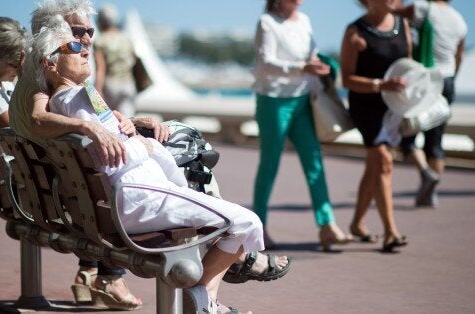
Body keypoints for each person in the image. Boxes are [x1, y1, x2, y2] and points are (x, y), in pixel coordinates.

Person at [27, 23, 290, 314]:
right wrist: (148, 147)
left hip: (130, 201)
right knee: (246, 222)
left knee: (222, 216)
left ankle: (206, 301)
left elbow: (105, 150)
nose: (86, 49)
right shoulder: (76, 99)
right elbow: (113, 160)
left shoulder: (69, 100)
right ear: (50, 62)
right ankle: (201, 298)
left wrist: (133, 131)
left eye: (85, 44)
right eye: (74, 47)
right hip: (142, 201)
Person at [10, 0, 144, 309]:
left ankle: (88, 273)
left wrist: (131, 120)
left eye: (89, 32)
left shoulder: (40, 73)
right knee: (111, 177)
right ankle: (111, 277)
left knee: (92, 172)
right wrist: (89, 126)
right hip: (65, 192)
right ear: (52, 33)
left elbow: (102, 115)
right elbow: (40, 120)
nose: (85, 40)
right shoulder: (47, 77)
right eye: (76, 32)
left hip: (45, 185)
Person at [251, 0, 351, 251]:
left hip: (304, 99)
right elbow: (265, 63)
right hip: (273, 101)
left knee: (314, 160)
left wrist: (319, 66)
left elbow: (312, 54)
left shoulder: (304, 20)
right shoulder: (268, 22)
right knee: (270, 164)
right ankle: (258, 228)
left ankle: (327, 225)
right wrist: (301, 68)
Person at [340, 0, 410, 252]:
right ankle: (391, 231)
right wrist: (381, 84)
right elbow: (346, 78)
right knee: (382, 160)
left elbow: (408, 67)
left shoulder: (403, 25)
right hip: (366, 106)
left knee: (375, 167)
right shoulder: (355, 30)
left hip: (393, 107)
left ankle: (358, 223)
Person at [395, 0, 467, 207]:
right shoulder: (459, 20)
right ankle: (431, 192)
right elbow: (459, 55)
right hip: (447, 79)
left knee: (407, 136)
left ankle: (426, 173)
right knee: (435, 141)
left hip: (424, 79)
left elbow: (389, 12)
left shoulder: (423, 8)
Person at [94, 3, 138, 118]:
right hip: (128, 84)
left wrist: (97, 90)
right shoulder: (126, 39)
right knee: (128, 120)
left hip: (111, 86)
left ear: (101, 21)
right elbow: (134, 59)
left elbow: (100, 69)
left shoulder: (100, 41)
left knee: (111, 122)